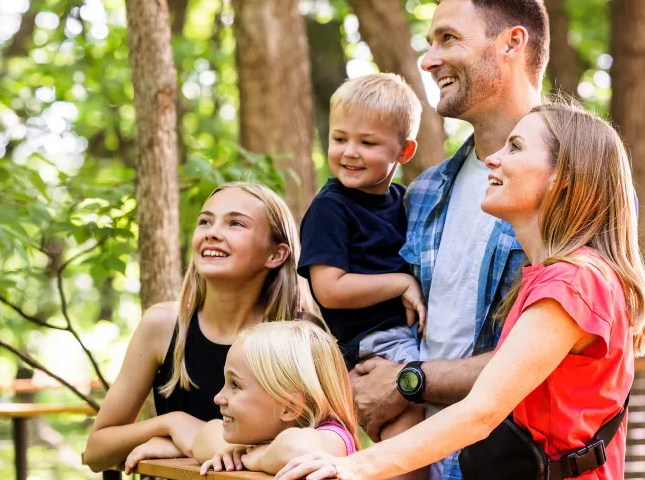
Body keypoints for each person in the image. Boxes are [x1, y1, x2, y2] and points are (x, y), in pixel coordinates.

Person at [276, 102, 644, 480]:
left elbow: (482, 411)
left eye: (515, 147)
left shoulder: (574, 283)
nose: (494, 158)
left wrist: (353, 466)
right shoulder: (551, 278)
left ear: (561, 177)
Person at [349, 0, 547, 480]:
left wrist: (408, 380)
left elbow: (556, 361)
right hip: (419, 462)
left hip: (519, 466)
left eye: (448, 39)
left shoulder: (577, 185)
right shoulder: (423, 192)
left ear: (512, 43)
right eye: (429, 41)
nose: (428, 59)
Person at [82, 182, 311, 473]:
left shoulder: (300, 335)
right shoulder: (163, 326)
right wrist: (172, 423)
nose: (212, 232)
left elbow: (319, 447)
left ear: (275, 255)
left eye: (236, 223)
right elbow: (95, 453)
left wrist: (191, 445)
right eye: (205, 221)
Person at [297, 73, 427, 479]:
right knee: (410, 441)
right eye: (340, 139)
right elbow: (329, 289)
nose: (350, 152)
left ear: (404, 151)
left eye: (368, 143)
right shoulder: (331, 207)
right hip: (375, 342)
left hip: (408, 335)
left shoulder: (403, 201)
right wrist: (402, 283)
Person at [191, 321, 359, 476]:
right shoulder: (268, 434)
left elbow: (295, 449)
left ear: (290, 407)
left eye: (235, 385)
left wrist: (259, 458)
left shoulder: (334, 438)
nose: (218, 398)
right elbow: (205, 438)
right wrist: (238, 453)